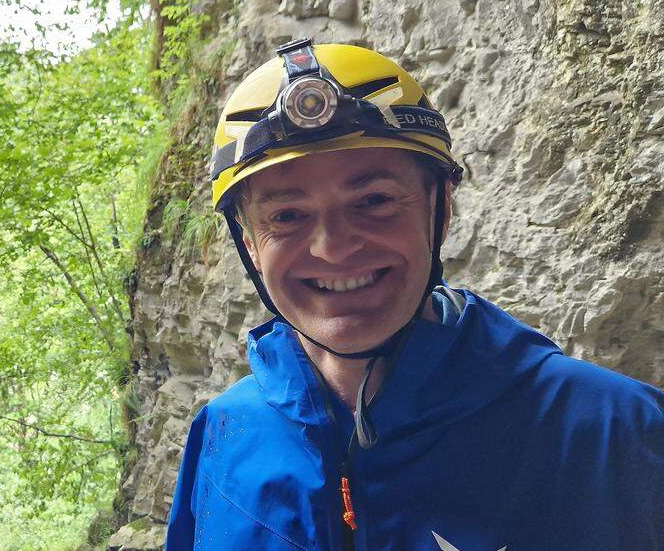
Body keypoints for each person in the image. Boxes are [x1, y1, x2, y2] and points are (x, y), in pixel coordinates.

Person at [165, 38, 663, 550]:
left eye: (374, 200)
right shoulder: (223, 438)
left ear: (440, 208)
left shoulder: (613, 433)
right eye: (287, 216)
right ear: (250, 244)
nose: (334, 248)